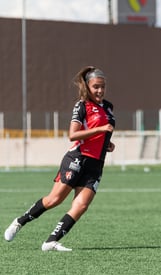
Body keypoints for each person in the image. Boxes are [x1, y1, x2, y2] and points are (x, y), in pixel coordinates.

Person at [4, 66, 115, 251]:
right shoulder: (82, 105)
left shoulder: (109, 107)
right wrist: (100, 130)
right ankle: (19, 222)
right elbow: (73, 135)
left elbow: (103, 134)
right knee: (54, 200)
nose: (100, 91)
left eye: (103, 87)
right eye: (96, 86)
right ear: (87, 86)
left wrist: (107, 143)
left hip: (97, 163)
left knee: (81, 206)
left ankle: (50, 242)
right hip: (78, 158)